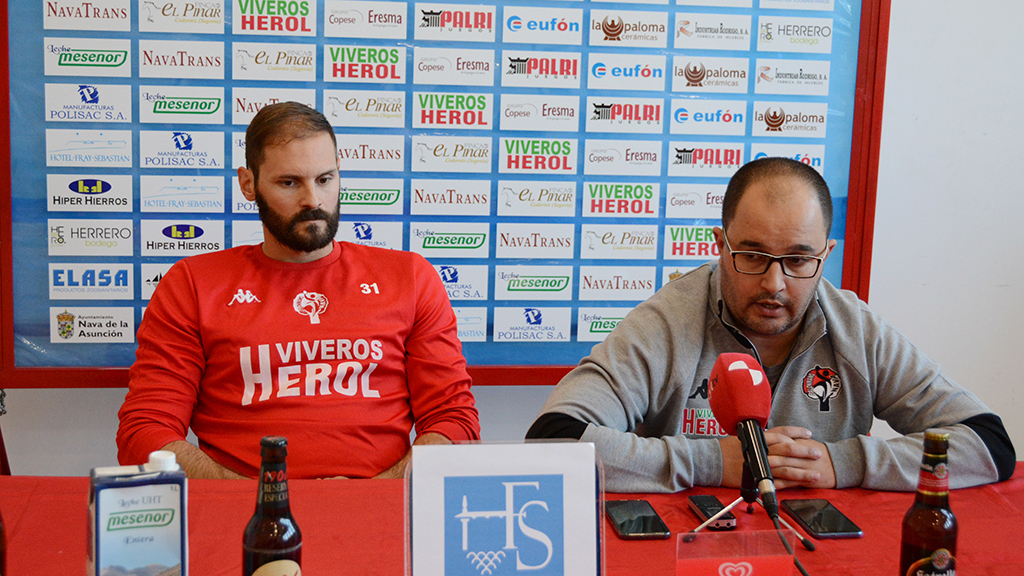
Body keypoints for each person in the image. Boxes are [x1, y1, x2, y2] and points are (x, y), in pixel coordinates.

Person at [527, 157, 1014, 493]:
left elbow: (988, 444)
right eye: (752, 256)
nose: (775, 284)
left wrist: (845, 464)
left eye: (799, 260)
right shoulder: (666, 323)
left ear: (826, 255)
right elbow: (553, 438)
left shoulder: (856, 329)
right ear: (721, 244)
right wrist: (716, 462)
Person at [117, 102, 480, 479]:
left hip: (383, 506)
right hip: (243, 516)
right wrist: (258, 500)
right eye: (289, 183)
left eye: (325, 179)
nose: (313, 200)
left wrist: (383, 489)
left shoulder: (410, 276)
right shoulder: (192, 283)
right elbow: (144, 432)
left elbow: (454, 420)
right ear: (248, 183)